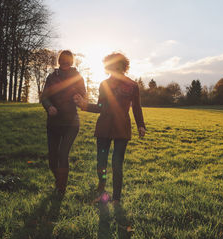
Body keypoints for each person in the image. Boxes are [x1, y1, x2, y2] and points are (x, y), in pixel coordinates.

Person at [73, 52, 146, 204]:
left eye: (118, 65)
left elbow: (137, 108)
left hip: (122, 128)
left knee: (117, 163)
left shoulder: (132, 85)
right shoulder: (104, 84)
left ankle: (116, 198)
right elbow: (100, 107)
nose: (115, 68)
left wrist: (141, 125)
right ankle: (102, 185)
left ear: (123, 67)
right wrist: (84, 105)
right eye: (112, 65)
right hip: (104, 126)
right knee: (101, 161)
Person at [41, 50, 86, 195]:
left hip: (71, 123)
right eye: (63, 60)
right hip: (53, 123)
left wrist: (80, 98)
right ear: (59, 61)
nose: (66, 63)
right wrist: (49, 107)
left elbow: (83, 96)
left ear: (72, 62)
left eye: (68, 61)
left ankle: (61, 189)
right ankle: (58, 180)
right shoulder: (52, 77)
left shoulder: (78, 77)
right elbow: (45, 97)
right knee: (52, 158)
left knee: (63, 154)